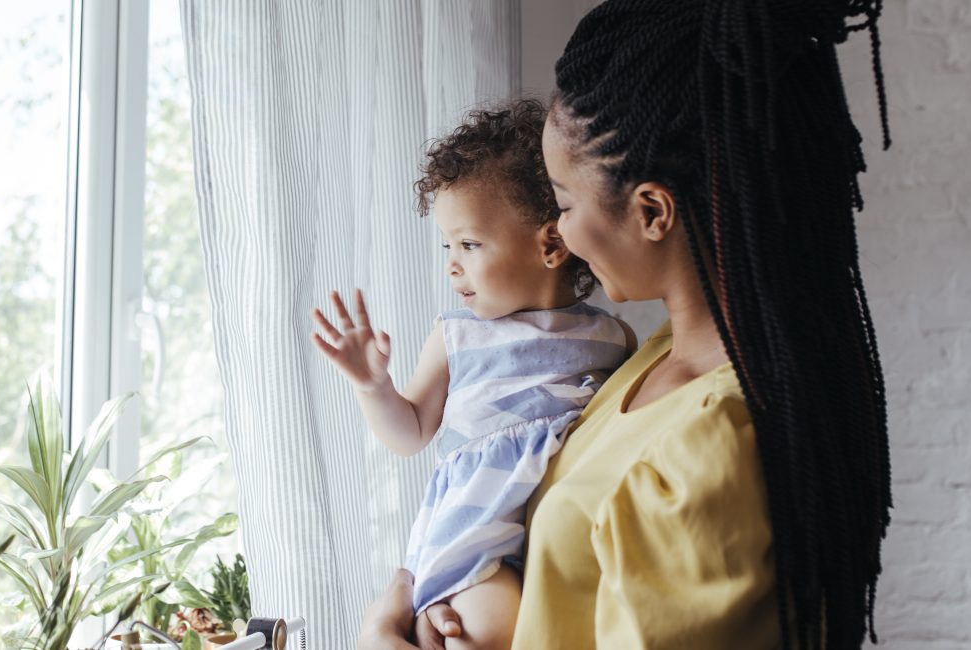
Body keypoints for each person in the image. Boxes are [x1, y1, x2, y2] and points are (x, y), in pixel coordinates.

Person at [358, 0, 894, 647]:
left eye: (563, 204)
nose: (559, 234)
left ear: (651, 212)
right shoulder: (642, 359)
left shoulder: (709, 451)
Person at [312, 99, 632, 649]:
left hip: (558, 535)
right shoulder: (458, 336)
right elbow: (409, 433)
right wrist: (373, 386)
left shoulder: (609, 338)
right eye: (448, 245)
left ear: (550, 245)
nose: (451, 264)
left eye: (470, 244)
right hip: (475, 535)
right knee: (494, 627)